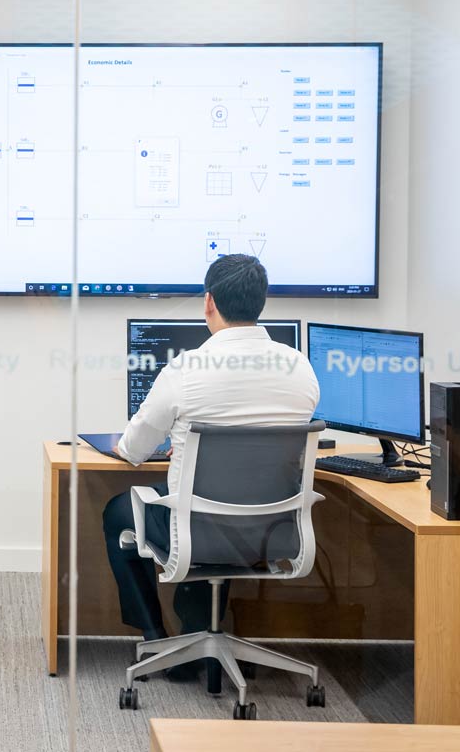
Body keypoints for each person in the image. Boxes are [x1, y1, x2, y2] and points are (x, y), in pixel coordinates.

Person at [102, 255, 319, 678]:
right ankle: (199, 632)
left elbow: (132, 449)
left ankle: (155, 638)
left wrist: (179, 446)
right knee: (225, 511)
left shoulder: (185, 370)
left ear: (208, 302)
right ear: (261, 303)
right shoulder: (300, 368)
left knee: (119, 513)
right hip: (271, 532)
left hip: (197, 530)